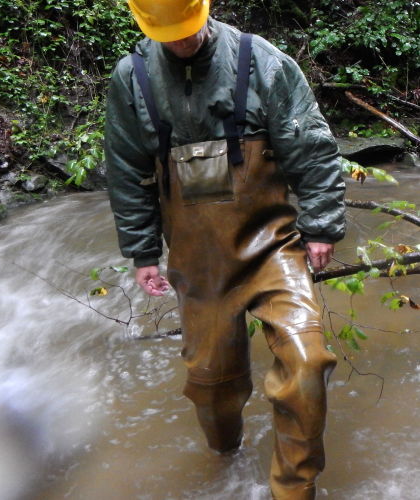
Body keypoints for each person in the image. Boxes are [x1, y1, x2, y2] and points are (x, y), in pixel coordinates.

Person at [104, 1, 346, 498]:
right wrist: (143, 252)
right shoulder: (131, 78)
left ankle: (294, 491)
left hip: (272, 246)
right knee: (212, 384)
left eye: (187, 31)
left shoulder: (263, 61)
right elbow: (127, 173)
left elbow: (311, 147)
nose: (180, 42)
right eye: (167, 35)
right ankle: (224, 459)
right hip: (198, 261)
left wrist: (321, 224)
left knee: (307, 363)